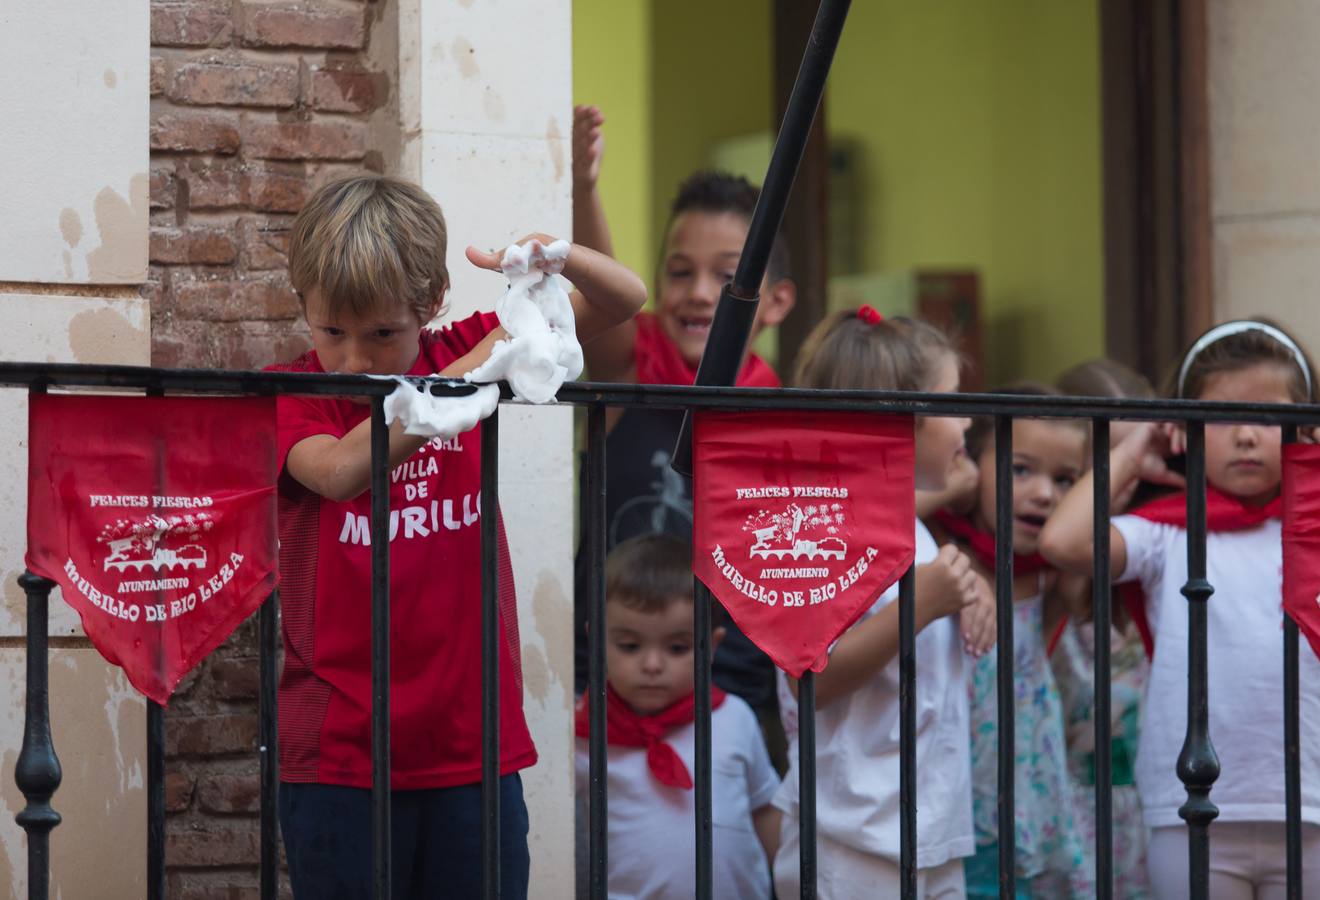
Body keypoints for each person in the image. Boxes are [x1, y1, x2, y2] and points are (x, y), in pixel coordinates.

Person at [266, 174, 646, 899]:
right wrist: (468, 380)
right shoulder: (294, 390)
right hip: (340, 751)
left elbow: (624, 297)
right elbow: (343, 471)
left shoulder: (468, 348)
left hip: (472, 742)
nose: (353, 361)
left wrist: (554, 256)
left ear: (431, 302)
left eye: (382, 334)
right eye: (330, 333)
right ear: (302, 308)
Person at [1039, 320, 1320, 899]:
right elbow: (1062, 541)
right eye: (1223, 416)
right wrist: (1134, 451)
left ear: (1303, 424)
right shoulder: (1168, 536)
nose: (1246, 437)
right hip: (1190, 811)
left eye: (1268, 417)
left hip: (1310, 805)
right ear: (1185, 430)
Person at [571, 104, 797, 744]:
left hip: (734, 700)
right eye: (679, 272)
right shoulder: (629, 372)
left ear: (777, 302)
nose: (700, 292)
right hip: (608, 694)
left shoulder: (777, 412)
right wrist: (583, 189)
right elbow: (606, 300)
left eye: (728, 277)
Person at [770, 306, 992, 899]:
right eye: (950, 403)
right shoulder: (815, 530)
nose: (966, 421)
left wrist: (966, 587)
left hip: (928, 834)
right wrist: (921, 604)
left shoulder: (907, 525)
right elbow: (808, 676)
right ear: (901, 420)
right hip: (848, 843)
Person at [924, 383, 1089, 898]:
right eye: (1021, 470)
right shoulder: (935, 546)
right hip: (948, 800)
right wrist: (959, 483)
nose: (1044, 493)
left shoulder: (1052, 576)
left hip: (1023, 804)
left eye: (1065, 479)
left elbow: (1093, 521)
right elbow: (883, 512)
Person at [573, 534, 781, 899]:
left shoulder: (733, 718)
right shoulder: (579, 735)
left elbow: (764, 810)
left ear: (712, 646)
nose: (652, 665)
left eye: (677, 647)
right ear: (596, 642)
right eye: (630, 646)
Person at [1035, 359, 1158, 899]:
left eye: (1138, 456)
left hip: (1155, 815)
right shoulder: (1040, 581)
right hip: (1061, 819)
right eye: (1105, 461)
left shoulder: (1163, 549)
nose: (1126, 476)